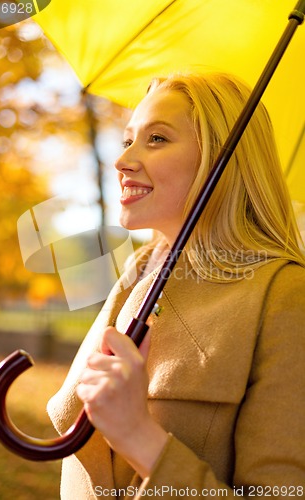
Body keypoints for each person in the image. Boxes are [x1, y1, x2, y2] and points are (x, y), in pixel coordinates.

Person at [47, 72, 305, 499]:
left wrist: (141, 440)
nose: (123, 160)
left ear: (223, 160)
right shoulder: (137, 275)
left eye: (158, 139)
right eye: (129, 139)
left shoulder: (284, 297)